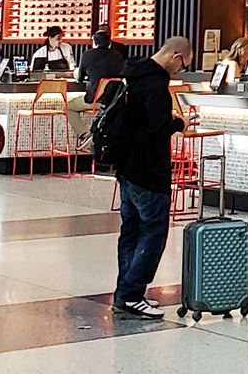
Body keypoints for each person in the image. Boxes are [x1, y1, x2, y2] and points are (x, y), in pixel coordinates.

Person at [107, 36, 195, 319]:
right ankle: (133, 293)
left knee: (130, 231)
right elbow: (157, 127)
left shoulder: (132, 74)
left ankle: (125, 292)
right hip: (148, 169)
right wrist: (179, 123)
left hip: (126, 166)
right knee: (154, 232)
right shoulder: (156, 84)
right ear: (176, 56)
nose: (179, 72)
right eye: (182, 66)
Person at [77, 26, 126, 103]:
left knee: (69, 106)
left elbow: (80, 78)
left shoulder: (87, 55)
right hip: (114, 98)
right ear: (109, 42)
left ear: (95, 43)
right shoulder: (118, 55)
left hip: (94, 98)